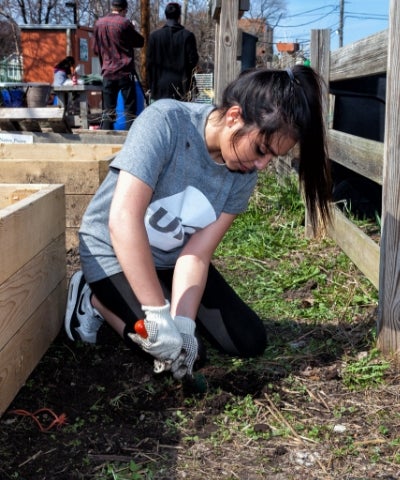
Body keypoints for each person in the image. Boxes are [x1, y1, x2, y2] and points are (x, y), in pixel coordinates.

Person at [64, 65, 332, 381]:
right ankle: (93, 298)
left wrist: (184, 324)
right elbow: (123, 220)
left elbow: (196, 254)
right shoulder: (166, 122)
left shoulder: (243, 172)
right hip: (112, 253)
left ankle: (158, 301)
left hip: (170, 260)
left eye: (271, 157)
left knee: (248, 340)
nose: (261, 164)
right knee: (173, 353)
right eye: (261, 149)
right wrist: (157, 313)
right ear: (234, 117)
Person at [93, 0, 144, 130]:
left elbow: (95, 49)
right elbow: (140, 41)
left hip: (107, 72)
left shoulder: (99, 24)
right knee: (129, 110)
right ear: (124, 10)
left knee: (108, 110)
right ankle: (130, 138)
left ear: (113, 7)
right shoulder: (124, 23)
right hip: (124, 71)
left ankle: (105, 138)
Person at [146, 2, 199, 101]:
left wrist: (150, 84)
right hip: (182, 86)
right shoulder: (187, 36)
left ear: (166, 16)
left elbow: (149, 63)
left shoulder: (154, 37)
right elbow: (193, 61)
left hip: (159, 87)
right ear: (179, 16)